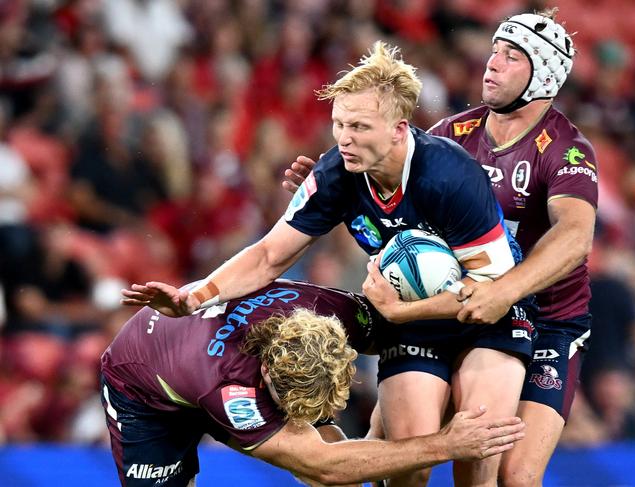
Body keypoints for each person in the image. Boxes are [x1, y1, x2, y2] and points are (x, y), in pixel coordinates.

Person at [123, 41, 534, 487]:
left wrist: (400, 311)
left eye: (358, 126)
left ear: (399, 130)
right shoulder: (335, 173)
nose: (343, 138)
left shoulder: (449, 178)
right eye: (339, 124)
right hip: (415, 325)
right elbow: (267, 255)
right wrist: (196, 295)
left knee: (479, 469)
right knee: (409, 468)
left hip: (488, 317)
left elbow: (493, 293)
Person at [283, 8, 598, 487]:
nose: (491, 64)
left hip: (547, 319)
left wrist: (504, 290)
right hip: (454, 308)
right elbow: (396, 201)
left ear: (546, 74)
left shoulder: (566, 149)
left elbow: (575, 237)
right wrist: (336, 185)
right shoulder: (454, 133)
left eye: (511, 57)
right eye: (493, 51)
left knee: (513, 476)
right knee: (401, 456)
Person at [104, 279, 525, 486]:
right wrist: (445, 444)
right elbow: (322, 465)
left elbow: (410, 340)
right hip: (144, 391)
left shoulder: (335, 311)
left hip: (212, 355)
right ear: (267, 372)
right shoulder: (231, 389)